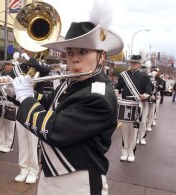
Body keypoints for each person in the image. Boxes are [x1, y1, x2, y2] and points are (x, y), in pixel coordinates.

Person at [11, 16, 123, 193]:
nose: (75, 59)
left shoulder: (98, 95)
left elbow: (55, 130)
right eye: (70, 52)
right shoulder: (71, 83)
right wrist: (15, 94)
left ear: (101, 56)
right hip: (50, 173)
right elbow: (47, 102)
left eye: (83, 52)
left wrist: (26, 98)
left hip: (78, 180)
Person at [6, 46, 50, 184]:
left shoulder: (40, 65)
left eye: (27, 48)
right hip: (21, 108)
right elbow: (13, 95)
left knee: (33, 142)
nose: (24, 50)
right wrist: (9, 91)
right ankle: (23, 169)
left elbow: (46, 69)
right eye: (22, 48)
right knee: (23, 142)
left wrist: (28, 59)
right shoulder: (16, 68)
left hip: (36, 108)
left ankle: (34, 170)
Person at [116, 55, 152, 162]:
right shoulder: (123, 75)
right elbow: (117, 88)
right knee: (124, 130)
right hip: (125, 104)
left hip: (137, 105)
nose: (133, 64)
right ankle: (124, 151)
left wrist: (144, 96)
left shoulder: (144, 76)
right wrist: (116, 94)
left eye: (136, 63)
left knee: (134, 129)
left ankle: (131, 152)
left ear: (140, 64)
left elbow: (148, 92)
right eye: (132, 62)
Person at [0, 60, 16, 153]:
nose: (6, 66)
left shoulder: (15, 75)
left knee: (10, 124)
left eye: (9, 64)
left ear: (13, 66)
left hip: (11, 101)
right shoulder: (0, 74)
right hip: (0, 100)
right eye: (6, 64)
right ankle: (1, 144)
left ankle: (9, 145)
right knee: (1, 124)